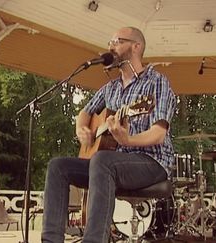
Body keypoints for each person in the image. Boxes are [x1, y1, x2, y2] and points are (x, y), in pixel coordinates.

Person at [41, 26, 177, 243]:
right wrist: (82, 130)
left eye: (117, 41)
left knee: (102, 160)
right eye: (110, 42)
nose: (110, 46)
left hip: (152, 161)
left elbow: (158, 134)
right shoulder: (110, 88)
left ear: (136, 46)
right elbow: (84, 113)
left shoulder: (156, 81)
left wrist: (128, 140)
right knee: (58, 167)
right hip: (111, 163)